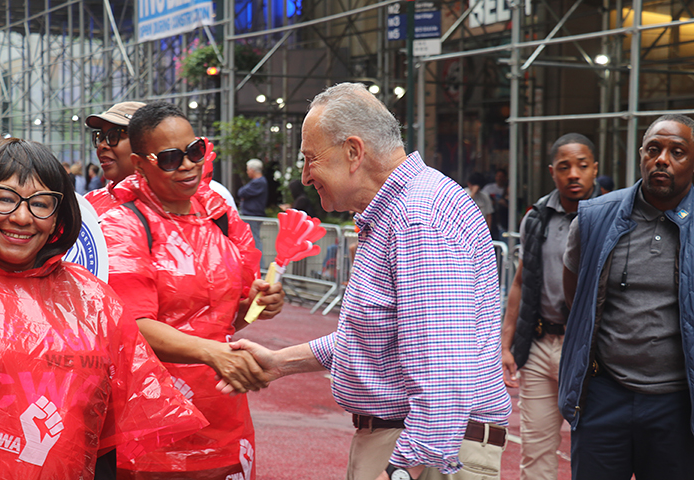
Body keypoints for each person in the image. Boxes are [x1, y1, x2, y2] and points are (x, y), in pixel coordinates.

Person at [224, 83, 511, 480]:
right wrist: (280, 363)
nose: (305, 177)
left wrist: (401, 472)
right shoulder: (403, 211)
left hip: (419, 450)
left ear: (353, 152)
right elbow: (377, 334)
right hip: (410, 444)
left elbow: (442, 370)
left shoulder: (418, 217)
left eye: (310, 159)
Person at [0, 138, 207, 479]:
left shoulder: (92, 297)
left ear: (58, 217)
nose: (22, 217)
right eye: (5, 199)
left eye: (40, 204)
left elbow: (113, 422)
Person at [97, 101, 284, 479]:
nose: (187, 165)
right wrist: (213, 353)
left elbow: (228, 318)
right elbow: (130, 326)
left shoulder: (219, 215)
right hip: (151, 422)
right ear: (140, 164)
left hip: (224, 412)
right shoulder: (121, 224)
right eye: (170, 158)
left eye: (195, 151)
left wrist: (257, 305)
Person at [560, 114, 694, 480]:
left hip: (678, 405)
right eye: (653, 149)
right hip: (605, 397)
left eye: (677, 152)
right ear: (641, 155)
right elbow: (577, 297)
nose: (662, 159)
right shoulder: (594, 218)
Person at [500, 133, 598, 480]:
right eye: (564, 167)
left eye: (582, 166)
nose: (574, 174)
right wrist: (506, 344)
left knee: (596, 450)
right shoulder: (536, 218)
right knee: (536, 452)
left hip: (591, 352)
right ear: (552, 172)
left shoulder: (611, 216)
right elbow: (520, 282)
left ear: (595, 168)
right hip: (540, 347)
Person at [84, 101, 146, 214]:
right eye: (100, 137)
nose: (101, 145)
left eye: (113, 136)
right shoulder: (88, 204)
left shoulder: (170, 206)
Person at [237, 158, 268, 266]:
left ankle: (261, 267)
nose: (247, 172)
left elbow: (242, 192)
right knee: (252, 240)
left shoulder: (259, 182)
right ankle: (257, 266)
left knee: (255, 241)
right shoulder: (259, 182)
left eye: (248, 169)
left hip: (253, 216)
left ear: (252, 170)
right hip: (252, 215)